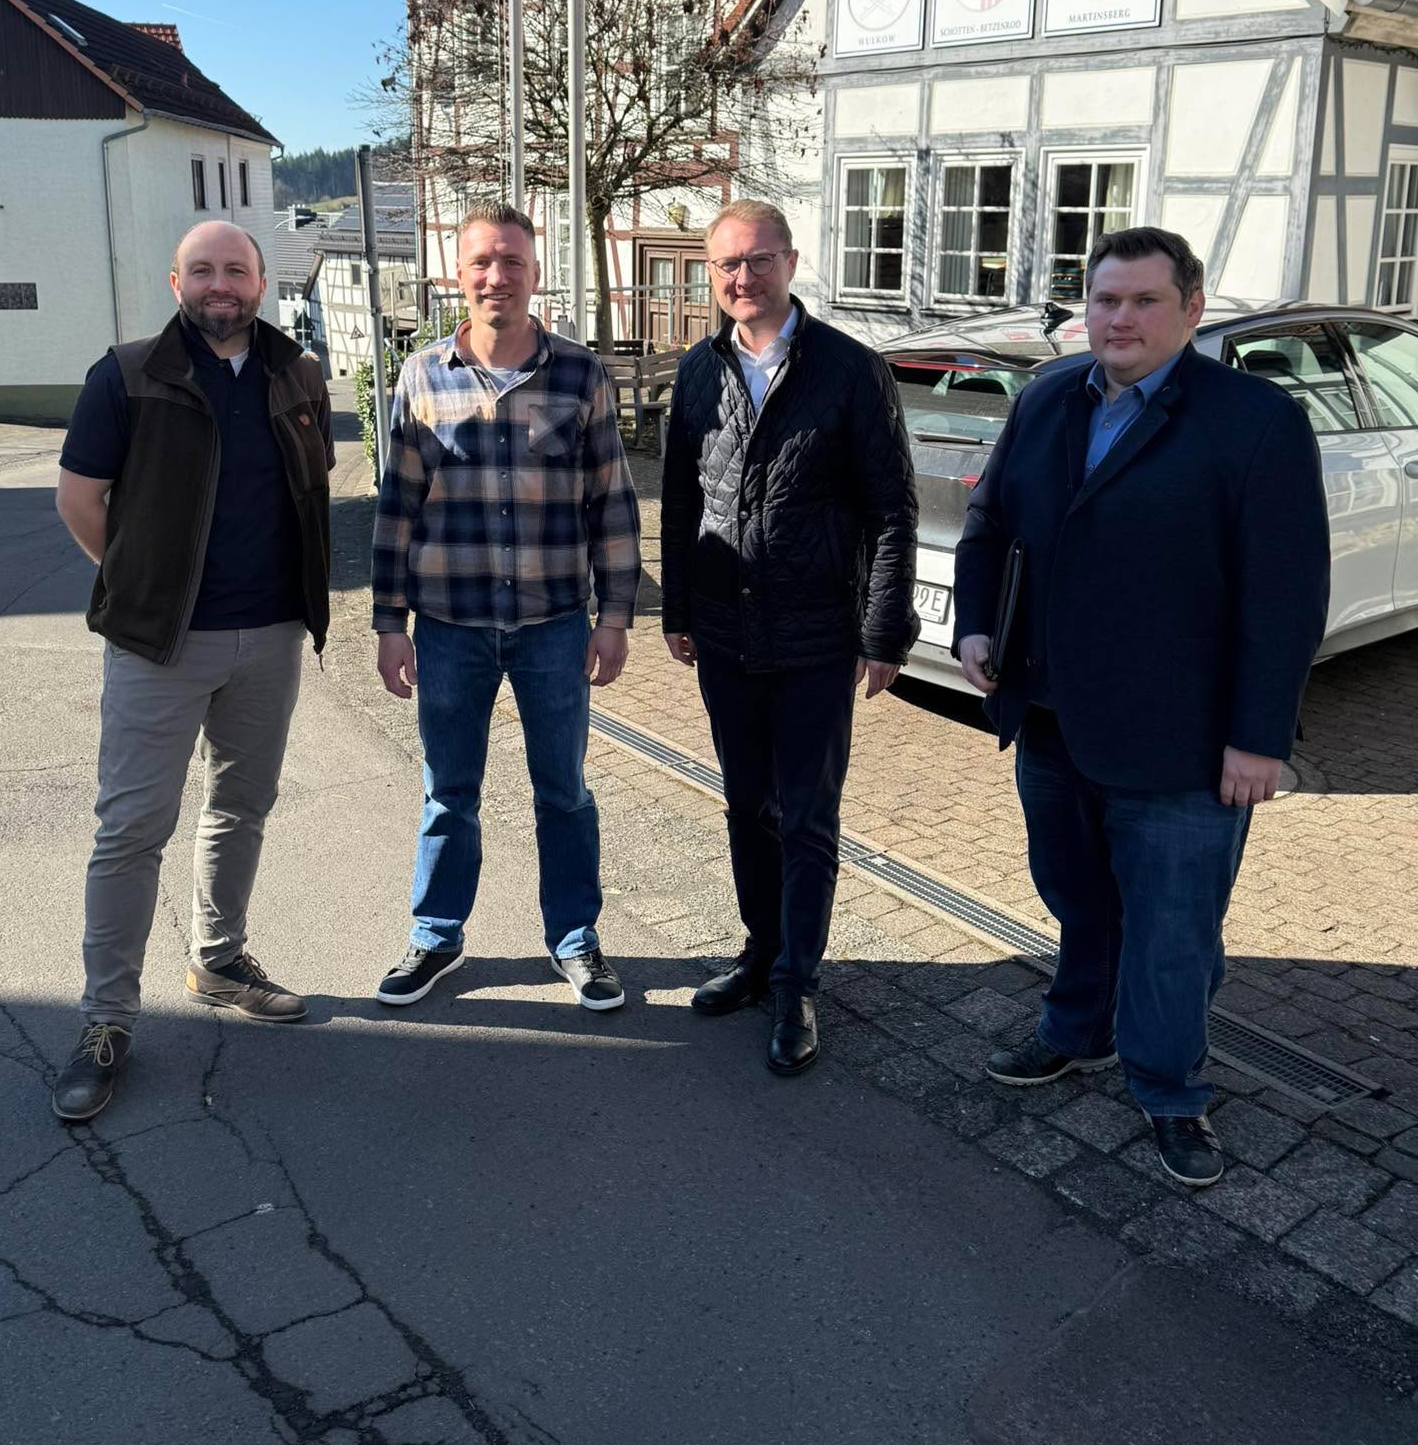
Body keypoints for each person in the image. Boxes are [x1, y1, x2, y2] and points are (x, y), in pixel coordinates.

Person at [954, 226, 1330, 1187]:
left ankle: (1170, 1089)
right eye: (1106, 300)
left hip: (1183, 740)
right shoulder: (1048, 398)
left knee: (1171, 931)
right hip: (1052, 719)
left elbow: (1285, 594)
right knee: (1078, 899)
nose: (1120, 319)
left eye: (1144, 301)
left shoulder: (1254, 419)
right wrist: (977, 626)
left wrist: (1259, 738)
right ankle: (1078, 1031)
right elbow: (989, 525)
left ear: (1190, 310)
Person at [51, 219, 334, 1122]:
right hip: (159, 645)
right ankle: (105, 1020)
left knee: (241, 807)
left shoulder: (298, 374)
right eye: (203, 270)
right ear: (176, 283)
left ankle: (219, 961)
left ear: (261, 282)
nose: (222, 284)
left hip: (271, 635)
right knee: (132, 830)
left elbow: (309, 491)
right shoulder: (128, 374)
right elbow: (79, 498)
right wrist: (143, 584)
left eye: (236, 270)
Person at [660, 201, 918, 1075]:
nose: (743, 278)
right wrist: (678, 609)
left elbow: (891, 510)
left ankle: (798, 983)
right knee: (746, 805)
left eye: (759, 260)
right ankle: (760, 952)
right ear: (712, 273)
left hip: (815, 637)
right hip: (725, 630)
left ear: (791, 262)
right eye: (727, 264)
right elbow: (682, 498)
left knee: (806, 817)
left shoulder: (850, 369)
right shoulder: (700, 370)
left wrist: (884, 631)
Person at [372, 203, 640, 1012]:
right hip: (448, 626)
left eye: (512, 262)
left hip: (553, 625)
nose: (498, 277)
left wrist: (615, 616)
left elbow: (612, 503)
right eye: (482, 262)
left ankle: (575, 938)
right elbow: (397, 509)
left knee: (563, 791)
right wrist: (389, 623)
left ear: (535, 272)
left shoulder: (580, 375)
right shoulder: (423, 375)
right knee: (448, 792)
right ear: (458, 275)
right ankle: (436, 935)